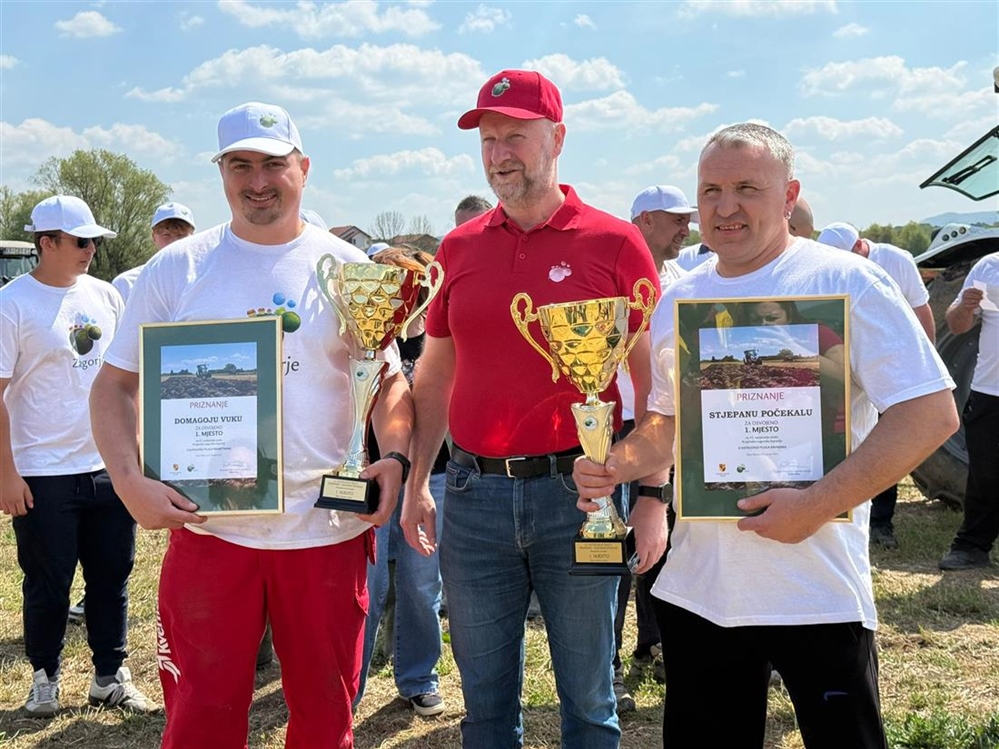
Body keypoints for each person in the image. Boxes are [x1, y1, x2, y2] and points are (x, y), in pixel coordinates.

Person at [573, 123, 959, 749]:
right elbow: (668, 423)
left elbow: (931, 413)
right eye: (711, 191)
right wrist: (614, 463)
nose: (726, 207)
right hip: (702, 591)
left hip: (816, 591)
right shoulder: (680, 300)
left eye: (747, 187)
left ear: (789, 194)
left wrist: (815, 505)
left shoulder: (848, 283)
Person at [88, 102, 413, 748]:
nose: (257, 180)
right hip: (212, 533)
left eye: (273, 164)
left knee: (324, 720)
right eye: (240, 164)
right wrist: (128, 482)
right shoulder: (177, 268)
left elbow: (388, 382)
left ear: (304, 168)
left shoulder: (350, 269)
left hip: (326, 533)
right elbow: (112, 386)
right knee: (200, 721)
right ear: (221, 172)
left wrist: (395, 456)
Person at [400, 69, 666, 748]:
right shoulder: (458, 249)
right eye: (489, 139)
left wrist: (652, 493)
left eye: (515, 135)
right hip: (473, 494)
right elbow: (433, 378)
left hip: (582, 494)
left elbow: (658, 384)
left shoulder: (613, 244)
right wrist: (415, 483)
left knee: (588, 700)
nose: (499, 153)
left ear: (557, 138)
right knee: (484, 707)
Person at [0, 195, 153, 716]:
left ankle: (109, 676)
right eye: (81, 240)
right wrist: (5, 472)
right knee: (49, 579)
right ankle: (44, 676)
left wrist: (134, 457)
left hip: (107, 466)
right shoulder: (12, 303)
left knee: (112, 573)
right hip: (43, 471)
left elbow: (128, 380)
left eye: (94, 241)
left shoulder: (107, 296)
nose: (91, 249)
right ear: (47, 243)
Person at [356, 246, 446, 717]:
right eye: (391, 286)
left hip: (434, 478)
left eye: (412, 286)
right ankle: (348, 683)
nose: (404, 296)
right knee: (366, 588)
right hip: (372, 475)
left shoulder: (440, 340)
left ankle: (418, 677)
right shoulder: (367, 340)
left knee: (419, 585)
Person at [817, 220, 935, 549]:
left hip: (892, 367)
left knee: (887, 442)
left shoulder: (896, 260)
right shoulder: (836, 267)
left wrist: (923, 369)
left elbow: (920, 310)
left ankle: (881, 522)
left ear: (859, 246)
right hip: (850, 365)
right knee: (861, 443)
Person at [938, 252, 998, 570]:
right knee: (985, 474)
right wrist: (964, 307)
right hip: (990, 391)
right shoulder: (989, 266)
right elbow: (956, 324)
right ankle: (972, 547)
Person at [112, 202, 196, 302]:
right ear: (153, 237)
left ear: (193, 237)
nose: (173, 242)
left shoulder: (205, 280)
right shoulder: (127, 284)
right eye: (166, 235)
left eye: (181, 235)